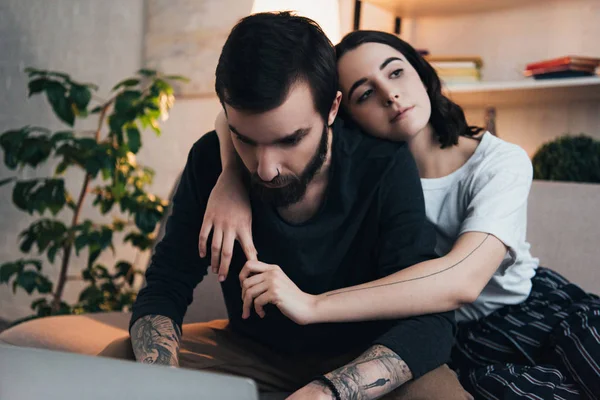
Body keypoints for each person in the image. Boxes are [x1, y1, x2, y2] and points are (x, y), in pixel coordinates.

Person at [203, 29, 600, 399]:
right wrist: (231, 179)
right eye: (365, 94)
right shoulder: (361, 175)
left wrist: (314, 304)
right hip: (453, 338)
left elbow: (463, 281)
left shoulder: (498, 162)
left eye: (396, 72)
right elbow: (232, 118)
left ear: (422, 74)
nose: (391, 95)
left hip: (530, 311)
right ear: (337, 113)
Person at [129, 13, 472, 400]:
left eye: (290, 140)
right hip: (250, 355)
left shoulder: (382, 164)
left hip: (365, 356)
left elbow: (430, 320)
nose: (266, 169)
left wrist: (330, 390)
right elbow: (165, 285)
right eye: (245, 139)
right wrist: (160, 381)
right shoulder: (213, 161)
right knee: (118, 364)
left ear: (332, 109)